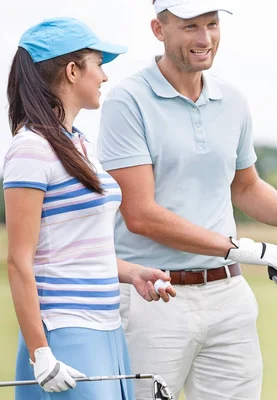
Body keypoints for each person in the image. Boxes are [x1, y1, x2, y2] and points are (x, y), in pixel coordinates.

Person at [96, 0, 277, 398]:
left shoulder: (233, 101)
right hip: (154, 297)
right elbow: (141, 215)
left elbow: (245, 187)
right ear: (159, 29)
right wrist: (239, 248)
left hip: (228, 298)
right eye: (190, 27)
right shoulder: (127, 101)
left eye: (212, 24)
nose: (205, 38)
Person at [4, 17, 176, 400]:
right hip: (64, 332)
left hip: (106, 327)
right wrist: (40, 353)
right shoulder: (31, 148)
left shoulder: (79, 145)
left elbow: (71, 248)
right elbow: (19, 260)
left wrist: (131, 272)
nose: (103, 76)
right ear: (71, 71)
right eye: (98, 64)